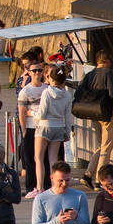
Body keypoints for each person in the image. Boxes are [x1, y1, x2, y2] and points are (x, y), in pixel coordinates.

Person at [80, 52, 113, 189]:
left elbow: (79, 91)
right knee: (106, 147)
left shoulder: (89, 74)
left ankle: (88, 175)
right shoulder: (108, 74)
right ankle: (100, 180)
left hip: (92, 113)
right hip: (106, 114)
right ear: (107, 60)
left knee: (100, 145)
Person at [33, 66, 73, 196]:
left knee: (38, 158)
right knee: (53, 160)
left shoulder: (47, 92)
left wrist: (32, 113)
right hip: (59, 127)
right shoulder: (67, 94)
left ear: (51, 79)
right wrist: (67, 132)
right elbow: (68, 116)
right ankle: (54, 185)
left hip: (44, 126)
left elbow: (42, 113)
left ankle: (39, 187)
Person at [17, 57, 50, 198]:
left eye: (39, 70)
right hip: (31, 128)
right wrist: (24, 130)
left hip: (44, 128)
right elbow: (22, 112)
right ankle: (31, 186)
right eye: (34, 71)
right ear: (29, 73)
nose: (37, 73)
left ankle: (46, 185)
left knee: (45, 159)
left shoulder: (47, 89)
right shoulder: (25, 91)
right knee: (30, 159)